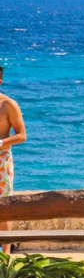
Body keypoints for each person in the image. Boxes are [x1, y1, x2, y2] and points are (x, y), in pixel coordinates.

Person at [0, 65, 29, 255]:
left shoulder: (8, 105)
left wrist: (1, 142)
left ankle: (6, 256)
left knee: (4, 209)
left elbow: (22, 135)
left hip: (1, 161)